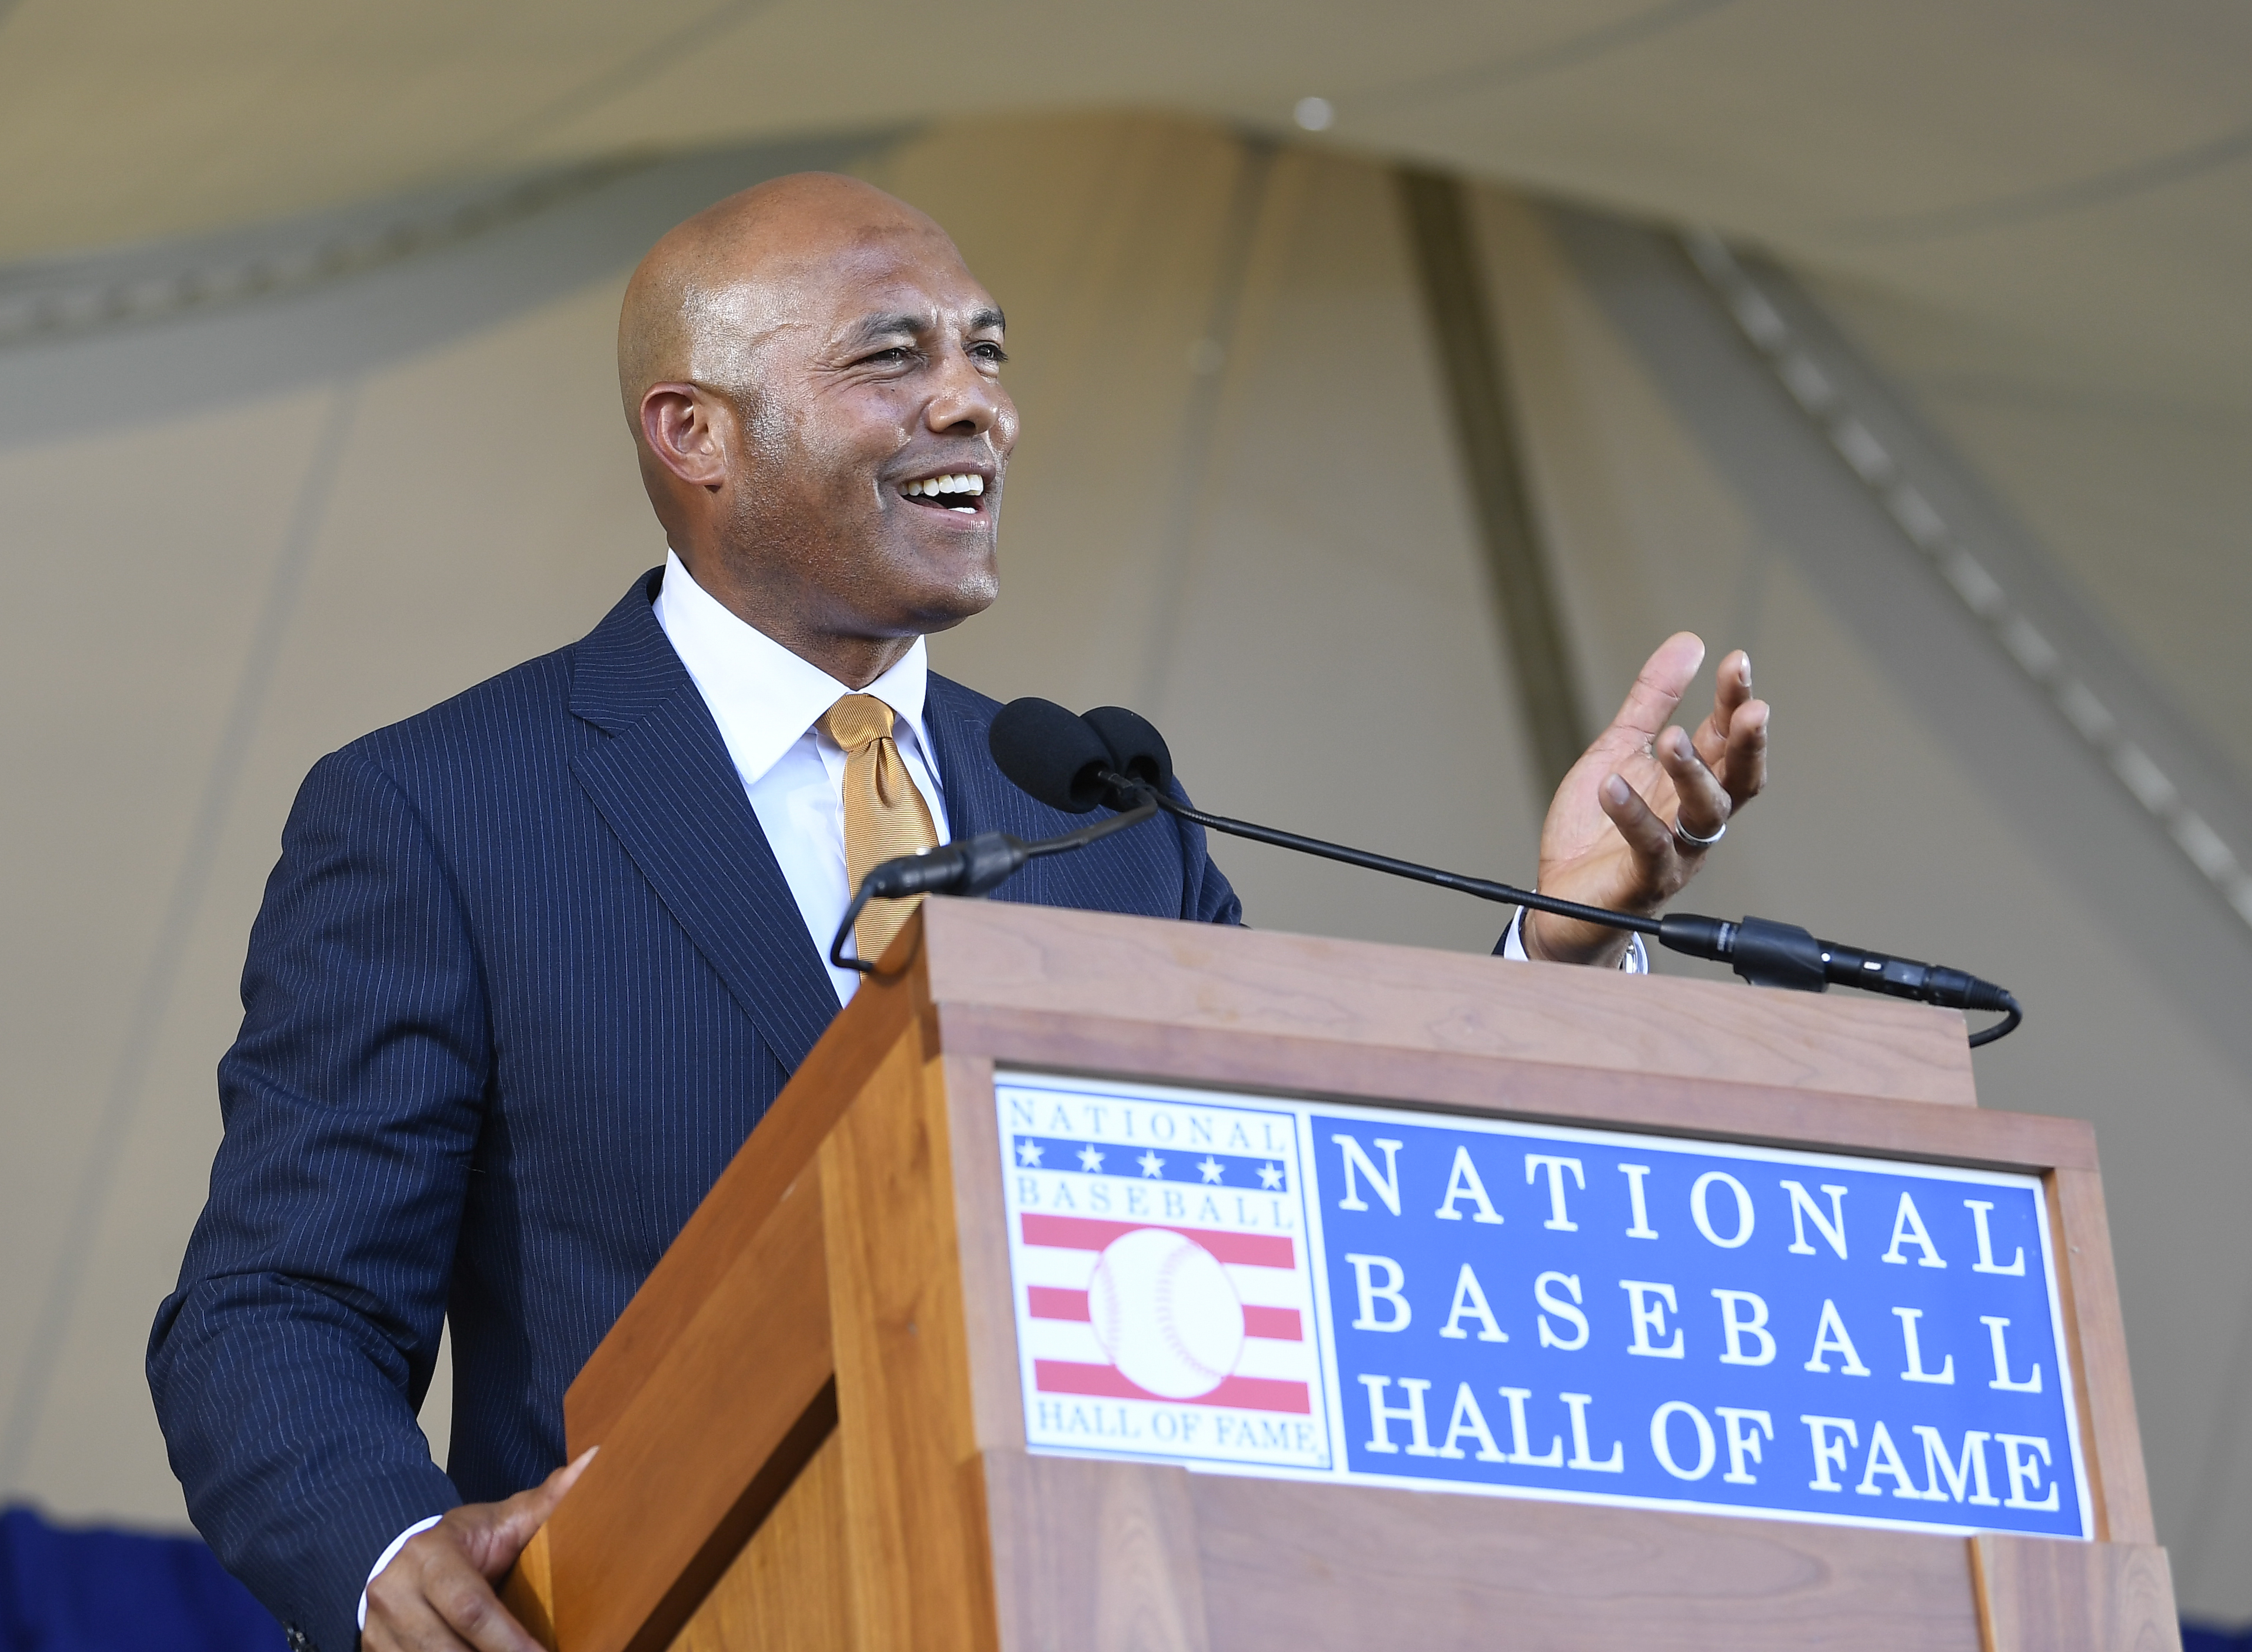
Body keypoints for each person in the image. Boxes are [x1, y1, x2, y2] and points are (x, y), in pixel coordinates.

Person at [147, 173, 1768, 1652]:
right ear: (692, 432)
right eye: (891, 355)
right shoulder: (445, 811)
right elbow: (274, 1306)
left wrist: (1553, 942)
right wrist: (393, 1546)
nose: (971, 402)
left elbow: (1313, 1207)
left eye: (987, 352)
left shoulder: (1097, 804)